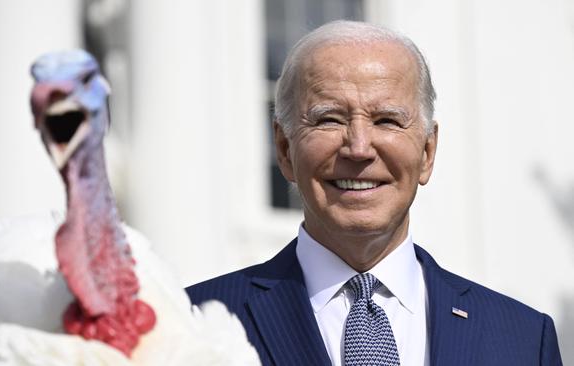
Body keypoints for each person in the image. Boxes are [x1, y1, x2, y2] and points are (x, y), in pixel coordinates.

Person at [186, 20, 563, 366]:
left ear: (428, 152)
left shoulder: (524, 340)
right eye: (329, 119)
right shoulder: (189, 325)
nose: (359, 148)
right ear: (285, 149)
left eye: (386, 120)